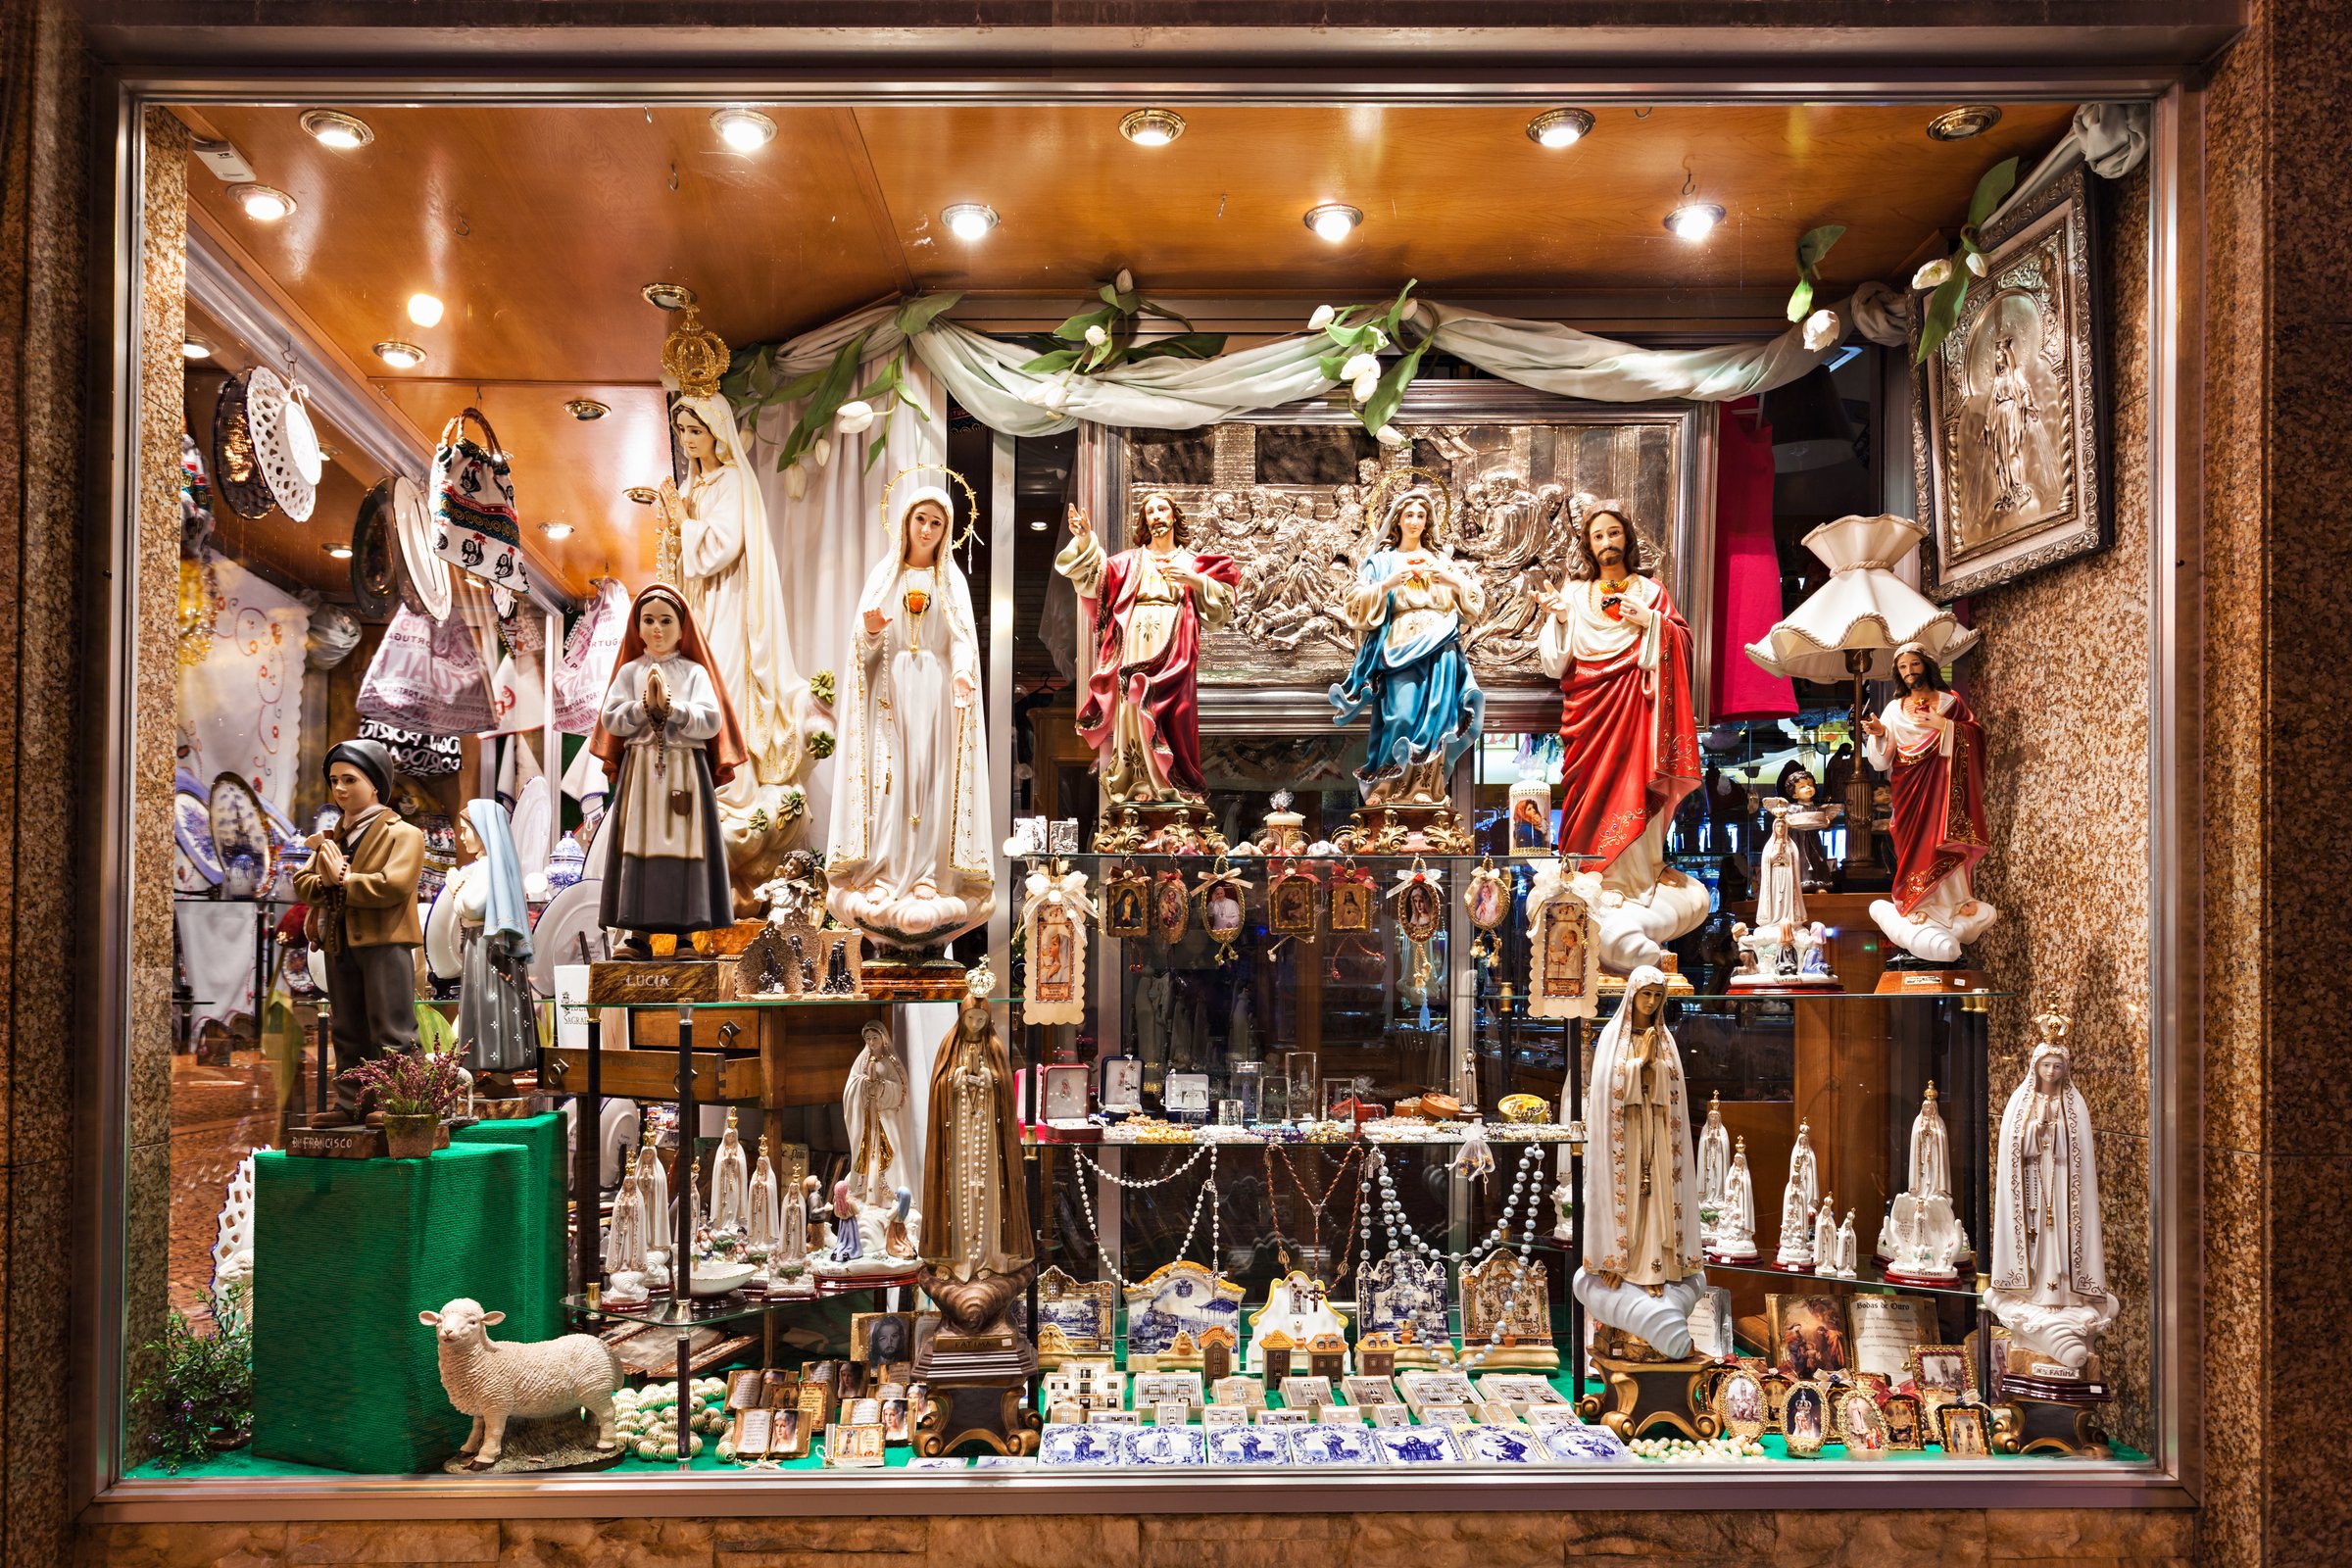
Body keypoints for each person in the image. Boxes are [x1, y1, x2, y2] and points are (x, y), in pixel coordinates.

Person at [1538, 498, 1707, 968]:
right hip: (1590, 716)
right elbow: (1556, 663)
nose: (1607, 542)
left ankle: (1638, 882)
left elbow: (1682, 643)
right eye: (1598, 536)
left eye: (1613, 533)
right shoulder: (1575, 595)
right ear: (1588, 546)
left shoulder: (1651, 592)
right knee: (1587, 794)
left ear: (1626, 539)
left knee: (1635, 787)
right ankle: (1596, 880)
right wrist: (1561, 617)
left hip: (1636, 712)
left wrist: (1649, 621)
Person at [826, 485, 994, 948]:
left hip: (936, 695)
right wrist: (871, 632)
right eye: (920, 519)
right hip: (892, 693)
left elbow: (961, 639)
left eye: (936, 523)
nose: (927, 529)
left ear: (947, 531)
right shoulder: (886, 576)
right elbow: (861, 651)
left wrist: (961, 673)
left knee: (930, 782)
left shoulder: (951, 581)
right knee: (891, 784)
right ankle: (883, 873)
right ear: (904, 522)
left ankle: (926, 875)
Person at [1055, 493, 1240, 806]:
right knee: (1133, 707)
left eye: (1162, 509)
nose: (1156, 515)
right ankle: (1139, 782)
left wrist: (1196, 581)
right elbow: (1095, 580)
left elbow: (1223, 605)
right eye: (1149, 511)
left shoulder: (1191, 563)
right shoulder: (1129, 562)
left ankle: (1176, 784)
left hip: (1175, 648)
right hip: (1135, 646)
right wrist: (1085, 539)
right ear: (1144, 521)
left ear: (1174, 516)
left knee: (1175, 713)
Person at [589, 586, 746, 954]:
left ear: (681, 627)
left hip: (683, 769)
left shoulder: (694, 673)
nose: (657, 629)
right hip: (642, 772)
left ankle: (685, 937)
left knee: (684, 847)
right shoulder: (630, 672)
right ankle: (638, 935)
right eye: (648, 620)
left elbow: (711, 720)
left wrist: (674, 710)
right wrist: (643, 707)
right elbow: (611, 717)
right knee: (638, 844)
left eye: (665, 620)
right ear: (637, 627)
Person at [1328, 487, 1486, 807]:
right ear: (1397, 520)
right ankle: (1385, 787)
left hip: (1440, 647)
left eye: (1421, 515)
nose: (1415, 521)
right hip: (1399, 645)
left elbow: (1474, 601)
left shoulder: (1439, 561)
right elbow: (1354, 604)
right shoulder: (1382, 562)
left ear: (1428, 522)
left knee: (1436, 717)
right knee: (1399, 715)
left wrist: (1451, 581)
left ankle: (1424, 788)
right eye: (1409, 514)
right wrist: (1388, 584)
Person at [294, 738, 424, 1125]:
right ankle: (352, 1102)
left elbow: (394, 885)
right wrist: (329, 880)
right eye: (334, 780)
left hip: (385, 942)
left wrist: (343, 878)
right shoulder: (334, 837)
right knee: (347, 1027)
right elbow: (304, 881)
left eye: (349, 779)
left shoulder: (404, 834)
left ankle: (399, 1100)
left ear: (375, 784)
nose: (340, 789)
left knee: (392, 1026)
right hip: (339, 941)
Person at [1861, 642, 1998, 962]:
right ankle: (1919, 903)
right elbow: (1883, 760)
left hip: (1944, 787)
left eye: (1914, 664)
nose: (1909, 672)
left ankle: (1956, 901)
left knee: (1944, 840)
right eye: (1903, 667)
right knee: (1913, 844)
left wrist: (1943, 725)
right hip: (1909, 787)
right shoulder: (1894, 710)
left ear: (1926, 666)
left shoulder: (1950, 703)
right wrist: (1879, 733)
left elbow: (1975, 737)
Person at [450, 800, 535, 1082]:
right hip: (489, 944)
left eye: (466, 830)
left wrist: (456, 889)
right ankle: (498, 1076)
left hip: (486, 945)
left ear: (482, 830)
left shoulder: (488, 866)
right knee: (496, 1004)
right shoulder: (493, 864)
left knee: (490, 1003)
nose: (462, 837)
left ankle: (498, 1073)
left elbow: (472, 906)